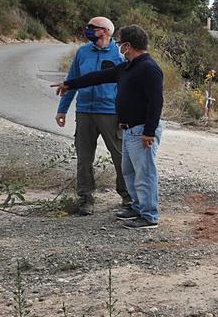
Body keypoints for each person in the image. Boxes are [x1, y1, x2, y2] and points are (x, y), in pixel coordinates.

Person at [51, 24, 164, 230]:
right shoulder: (127, 67)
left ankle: (149, 216)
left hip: (141, 131)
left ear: (128, 46)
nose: (119, 46)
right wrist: (70, 84)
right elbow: (98, 77)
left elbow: (156, 102)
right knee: (129, 172)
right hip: (129, 129)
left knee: (144, 173)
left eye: (121, 43)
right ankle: (137, 208)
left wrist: (149, 131)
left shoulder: (149, 68)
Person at [55, 16, 129, 216]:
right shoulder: (83, 52)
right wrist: (62, 109)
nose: (87, 30)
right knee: (84, 157)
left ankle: (128, 197)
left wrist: (125, 114)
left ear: (104, 31)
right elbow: (72, 81)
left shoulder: (119, 54)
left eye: (91, 27)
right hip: (85, 111)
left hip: (110, 113)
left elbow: (126, 85)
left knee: (120, 156)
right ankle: (86, 198)